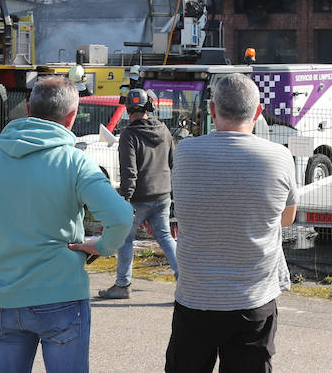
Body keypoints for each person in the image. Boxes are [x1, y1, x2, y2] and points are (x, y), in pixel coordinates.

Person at [0, 76, 133, 373]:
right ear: (72, 116)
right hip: (61, 294)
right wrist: (101, 247)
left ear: (26, 108)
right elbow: (121, 217)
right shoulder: (74, 162)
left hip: (4, 297)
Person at [166, 72, 297, 373]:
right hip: (254, 300)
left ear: (212, 110)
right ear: (259, 112)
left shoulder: (185, 152)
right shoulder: (280, 157)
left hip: (195, 299)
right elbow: (286, 219)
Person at [97, 88, 178, 300]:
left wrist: (125, 199)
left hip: (138, 198)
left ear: (128, 109)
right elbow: (172, 162)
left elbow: (129, 171)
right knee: (165, 237)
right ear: (149, 107)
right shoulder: (164, 130)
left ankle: (123, 285)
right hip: (163, 195)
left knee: (125, 239)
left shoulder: (129, 134)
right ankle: (187, 280)